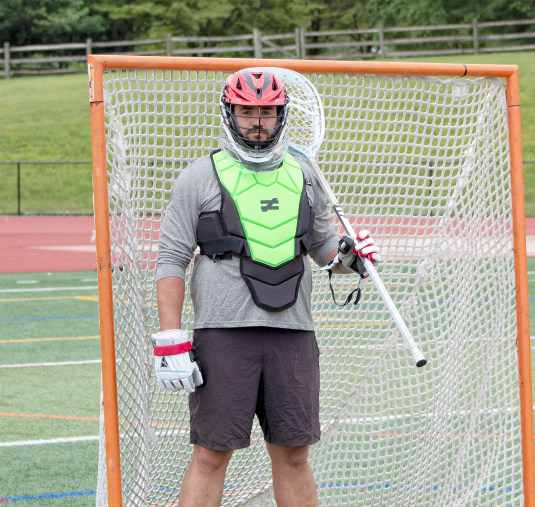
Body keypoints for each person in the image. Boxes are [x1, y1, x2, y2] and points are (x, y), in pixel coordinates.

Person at [153, 69, 381, 507]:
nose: (257, 120)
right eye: (247, 111)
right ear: (230, 114)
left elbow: (322, 248)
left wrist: (353, 257)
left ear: (282, 116)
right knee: (210, 454)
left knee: (294, 455)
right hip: (223, 335)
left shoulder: (305, 174)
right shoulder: (198, 176)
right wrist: (171, 337)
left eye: (267, 111)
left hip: (293, 334)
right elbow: (171, 258)